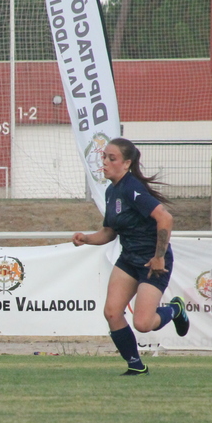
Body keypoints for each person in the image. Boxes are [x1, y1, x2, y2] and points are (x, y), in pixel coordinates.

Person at [72, 137, 189, 375]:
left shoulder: (132, 187)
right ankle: (136, 366)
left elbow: (165, 218)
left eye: (111, 158)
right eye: (104, 156)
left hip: (152, 261)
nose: (104, 161)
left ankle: (175, 310)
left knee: (143, 324)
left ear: (126, 164)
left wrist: (159, 256)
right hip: (129, 259)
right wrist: (86, 238)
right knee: (112, 312)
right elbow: (109, 232)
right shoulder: (111, 190)